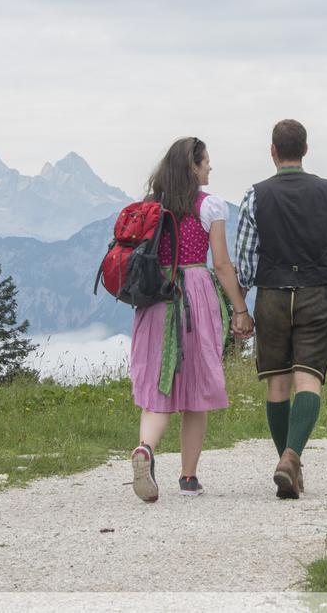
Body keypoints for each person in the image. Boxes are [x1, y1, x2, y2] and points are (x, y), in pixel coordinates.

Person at [232, 119, 327, 499]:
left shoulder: (254, 195)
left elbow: (244, 262)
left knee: (277, 382)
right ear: (305, 150)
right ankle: (291, 458)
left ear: (272, 152)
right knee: (309, 379)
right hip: (316, 292)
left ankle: (288, 462)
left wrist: (240, 309)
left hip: (272, 295)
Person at [128, 137, 254, 502]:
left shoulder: (152, 205)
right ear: (193, 167)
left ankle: (146, 449)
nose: (210, 167)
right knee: (196, 390)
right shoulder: (210, 206)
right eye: (206, 162)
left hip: (156, 297)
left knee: (158, 384)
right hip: (194, 293)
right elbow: (221, 264)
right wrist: (240, 310)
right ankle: (188, 478)